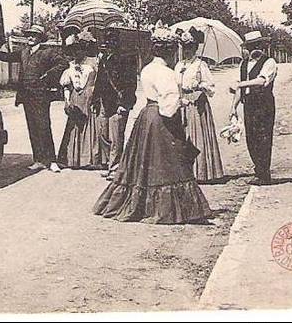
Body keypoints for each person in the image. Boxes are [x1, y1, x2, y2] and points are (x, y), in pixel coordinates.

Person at [93, 27, 211, 224]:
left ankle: (140, 204)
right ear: (170, 50)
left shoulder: (147, 68)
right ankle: (166, 209)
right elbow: (168, 106)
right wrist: (182, 102)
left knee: (143, 164)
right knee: (167, 163)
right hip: (161, 119)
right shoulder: (166, 73)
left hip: (146, 116)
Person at [0, 24, 67, 171]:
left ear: (40, 38)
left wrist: (47, 76)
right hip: (26, 95)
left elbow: (63, 64)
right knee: (33, 128)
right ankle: (38, 160)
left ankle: (51, 161)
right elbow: (8, 57)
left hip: (41, 95)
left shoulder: (47, 52)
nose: (30, 37)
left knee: (43, 127)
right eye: (29, 35)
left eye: (34, 35)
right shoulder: (24, 52)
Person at [229, 30, 278, 185]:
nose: (255, 49)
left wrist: (240, 84)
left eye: (258, 45)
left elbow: (261, 81)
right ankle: (258, 169)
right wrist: (233, 107)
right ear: (247, 48)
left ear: (262, 46)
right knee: (251, 137)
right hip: (249, 103)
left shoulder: (269, 62)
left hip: (264, 103)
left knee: (263, 137)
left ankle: (264, 174)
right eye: (251, 46)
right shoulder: (244, 64)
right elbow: (240, 89)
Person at [176, 28, 224, 183]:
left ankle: (201, 172)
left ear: (195, 48)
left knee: (196, 137)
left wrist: (200, 84)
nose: (187, 51)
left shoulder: (200, 65)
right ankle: (184, 172)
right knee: (182, 137)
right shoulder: (179, 65)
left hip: (196, 104)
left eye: (190, 48)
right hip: (181, 102)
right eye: (184, 48)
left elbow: (211, 87)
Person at [57, 31, 103, 169]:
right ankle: (73, 159)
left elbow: (100, 81)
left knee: (91, 126)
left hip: (90, 96)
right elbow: (67, 85)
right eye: (75, 49)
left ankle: (90, 159)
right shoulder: (70, 65)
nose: (78, 52)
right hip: (75, 98)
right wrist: (67, 101)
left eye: (81, 48)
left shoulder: (95, 61)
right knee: (74, 126)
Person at [93, 41, 139, 180]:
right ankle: (108, 163)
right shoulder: (104, 60)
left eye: (109, 45)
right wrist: (95, 100)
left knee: (116, 137)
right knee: (103, 134)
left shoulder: (126, 59)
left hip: (119, 103)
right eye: (104, 45)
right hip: (104, 103)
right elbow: (99, 82)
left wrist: (125, 103)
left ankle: (115, 167)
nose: (106, 47)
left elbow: (131, 83)